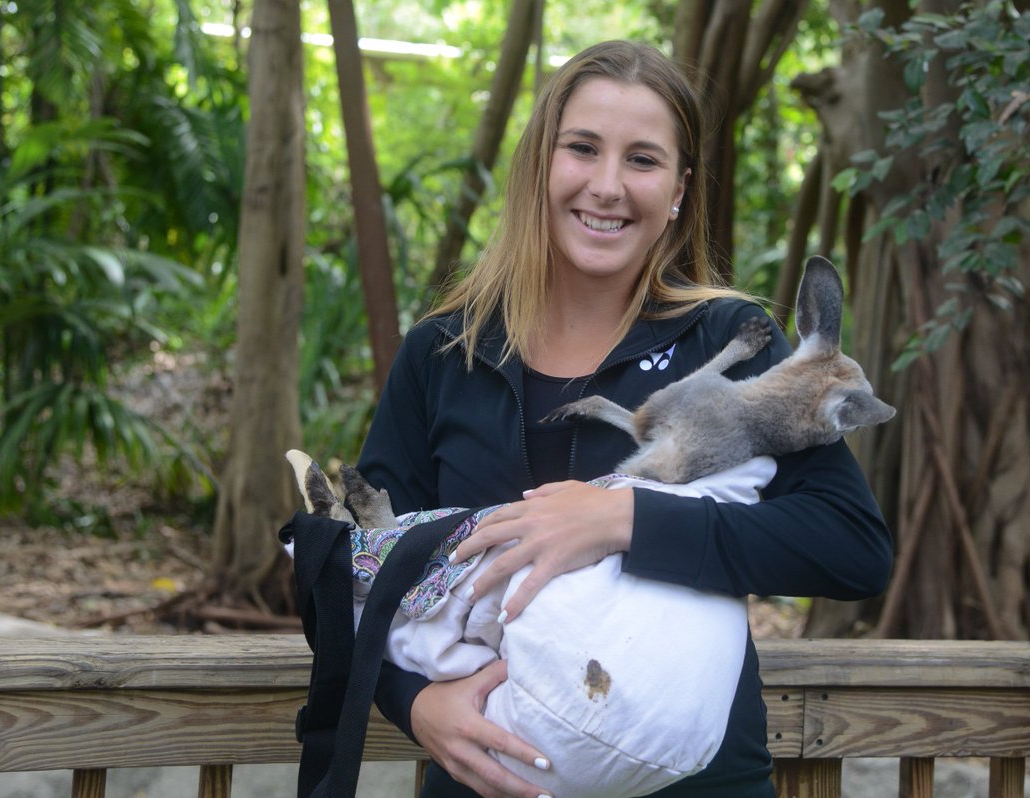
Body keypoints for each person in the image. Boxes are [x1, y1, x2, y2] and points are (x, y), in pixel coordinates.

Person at [356, 40, 892, 798]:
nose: (607, 186)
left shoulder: (731, 344)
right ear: (541, 163)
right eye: (582, 149)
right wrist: (415, 705)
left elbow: (852, 548)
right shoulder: (444, 353)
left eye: (642, 160)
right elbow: (352, 571)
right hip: (490, 782)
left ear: (678, 189)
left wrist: (625, 520)